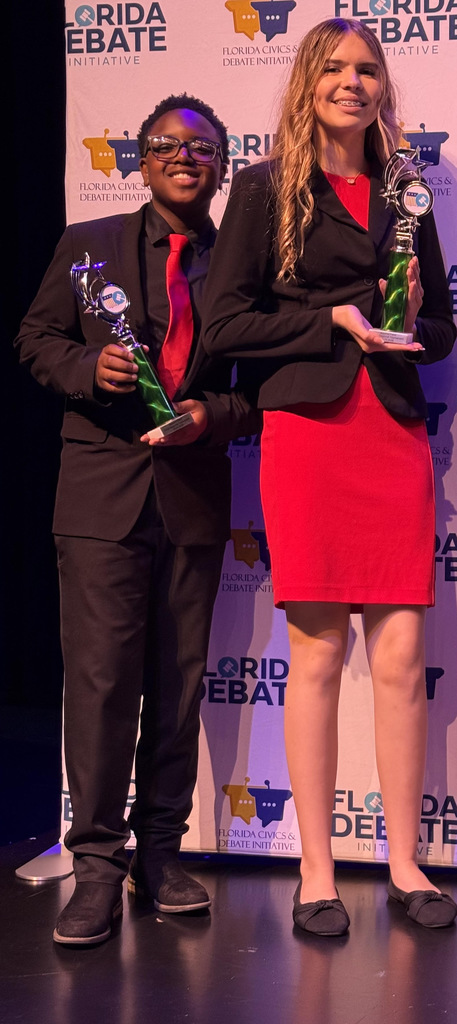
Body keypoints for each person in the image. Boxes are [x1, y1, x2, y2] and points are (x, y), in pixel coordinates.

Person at [202, 19, 457, 935]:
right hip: (307, 434)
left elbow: (440, 332)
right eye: (336, 69)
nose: (354, 83)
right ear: (308, 81)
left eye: (368, 70)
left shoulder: (405, 189)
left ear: (383, 87)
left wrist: (412, 325)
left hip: (390, 432)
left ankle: (404, 864)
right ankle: (315, 871)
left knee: (397, 659)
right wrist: (335, 323)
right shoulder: (266, 189)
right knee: (313, 655)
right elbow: (225, 325)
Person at [15, 93, 259, 946]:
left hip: (191, 501)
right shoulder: (88, 247)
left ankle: (160, 854)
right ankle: (95, 867)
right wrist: (90, 366)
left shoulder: (241, 261)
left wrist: (212, 418)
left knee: (179, 686)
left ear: (223, 166)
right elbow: (36, 340)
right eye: (166, 144)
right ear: (141, 160)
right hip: (97, 501)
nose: (184, 156)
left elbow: (260, 394)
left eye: (203, 148)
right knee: (102, 686)